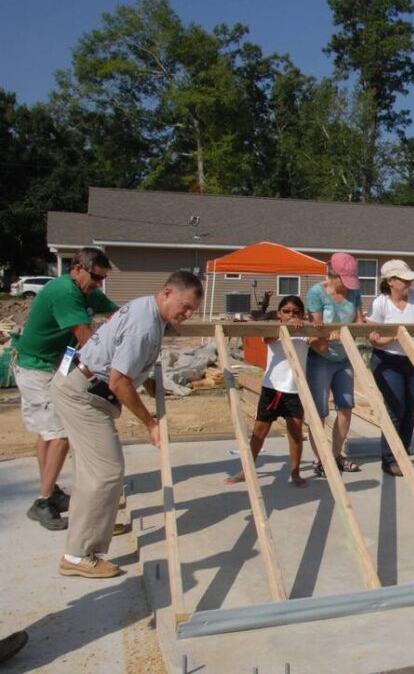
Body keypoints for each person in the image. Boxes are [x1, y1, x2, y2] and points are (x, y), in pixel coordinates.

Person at [53, 271, 203, 578]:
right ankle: (78, 555)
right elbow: (119, 381)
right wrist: (150, 424)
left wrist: (145, 380)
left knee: (92, 471)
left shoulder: (148, 311)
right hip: (84, 394)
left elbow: (123, 363)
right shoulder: (145, 325)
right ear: (166, 293)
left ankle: (95, 529)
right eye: (185, 306)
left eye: (192, 311)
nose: (186, 315)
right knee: (108, 471)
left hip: (81, 384)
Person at [12, 247, 116, 531]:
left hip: (50, 367)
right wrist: (115, 373)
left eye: (102, 280)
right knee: (59, 435)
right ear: (78, 269)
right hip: (37, 369)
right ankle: (43, 502)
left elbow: (116, 315)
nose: (98, 284)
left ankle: (51, 491)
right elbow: (85, 338)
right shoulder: (65, 292)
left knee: (47, 434)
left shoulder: (87, 292)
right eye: (96, 278)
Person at [224, 296, 325, 488]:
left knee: (295, 432)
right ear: (279, 313)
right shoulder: (274, 329)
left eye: (295, 312)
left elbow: (322, 347)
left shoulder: (304, 332)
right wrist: (287, 326)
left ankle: (295, 473)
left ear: (302, 314)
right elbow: (268, 340)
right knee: (260, 431)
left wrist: (318, 331)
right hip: (272, 387)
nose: (291, 315)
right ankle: (246, 470)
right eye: (286, 311)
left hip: (295, 389)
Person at [366, 260, 414, 477]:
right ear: (391, 281)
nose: (409, 282)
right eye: (404, 279)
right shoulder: (380, 304)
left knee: (410, 410)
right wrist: (394, 337)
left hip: (412, 359)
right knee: (396, 408)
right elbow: (374, 338)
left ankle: (402, 452)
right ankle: (389, 458)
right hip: (387, 359)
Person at [306, 252, 364, 476]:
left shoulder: (355, 293)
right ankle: (320, 458)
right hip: (321, 356)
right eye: (343, 280)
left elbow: (359, 321)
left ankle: (337, 454)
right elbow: (316, 326)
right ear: (332, 275)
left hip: (344, 356)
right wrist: (329, 334)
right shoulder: (316, 293)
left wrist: (356, 330)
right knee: (319, 411)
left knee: (346, 407)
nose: (347, 286)